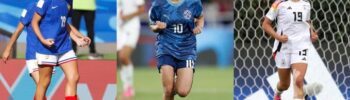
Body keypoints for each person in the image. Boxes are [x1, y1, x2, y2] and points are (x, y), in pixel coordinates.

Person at [1, 2, 89, 99]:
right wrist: (8, 49)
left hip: (62, 47)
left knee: (74, 77)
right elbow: (19, 29)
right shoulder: (33, 6)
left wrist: (78, 37)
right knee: (43, 84)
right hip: (36, 53)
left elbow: (62, 22)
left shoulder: (68, 2)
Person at [31, 0, 90, 99]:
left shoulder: (69, 2)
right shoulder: (45, 1)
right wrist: (43, 40)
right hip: (47, 48)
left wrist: (77, 39)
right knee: (44, 82)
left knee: (74, 77)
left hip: (64, 46)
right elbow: (34, 22)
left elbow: (64, 23)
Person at [262, 0, 318, 99]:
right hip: (283, 48)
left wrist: (312, 33)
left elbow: (307, 22)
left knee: (298, 80)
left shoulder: (306, 4)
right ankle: (278, 92)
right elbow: (265, 24)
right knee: (285, 85)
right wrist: (278, 37)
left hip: (301, 46)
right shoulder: (278, 4)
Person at [148, 0, 204, 99]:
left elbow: (200, 16)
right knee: (168, 89)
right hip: (166, 48)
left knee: (182, 92)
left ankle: (173, 79)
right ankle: (169, 83)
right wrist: (157, 27)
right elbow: (152, 24)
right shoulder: (158, 3)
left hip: (187, 49)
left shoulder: (193, 2)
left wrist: (199, 26)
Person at [117, 0, 145, 98]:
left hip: (132, 27)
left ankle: (129, 87)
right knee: (121, 59)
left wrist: (128, 16)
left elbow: (142, 9)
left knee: (123, 56)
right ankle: (126, 88)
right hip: (120, 28)